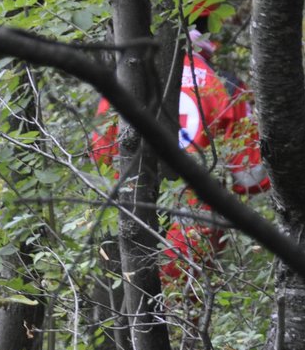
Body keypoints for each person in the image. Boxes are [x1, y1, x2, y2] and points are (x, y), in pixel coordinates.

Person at [91, 15, 268, 284]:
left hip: (130, 224)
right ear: (208, 26)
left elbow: (101, 154)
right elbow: (251, 177)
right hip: (195, 232)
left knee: (132, 319)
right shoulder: (226, 85)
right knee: (186, 320)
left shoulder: (128, 77)